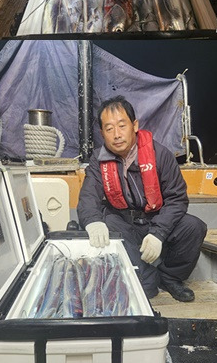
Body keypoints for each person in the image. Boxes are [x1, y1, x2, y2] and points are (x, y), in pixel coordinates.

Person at [78, 93, 207, 302]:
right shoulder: (98, 160)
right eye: (109, 129)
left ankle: (170, 277)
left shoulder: (160, 154)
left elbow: (177, 199)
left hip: (155, 218)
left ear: (135, 125)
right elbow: (88, 196)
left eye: (122, 126)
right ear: (102, 134)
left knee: (193, 227)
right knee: (146, 289)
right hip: (121, 222)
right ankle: (146, 276)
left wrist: (158, 233)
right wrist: (93, 222)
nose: (117, 134)